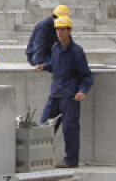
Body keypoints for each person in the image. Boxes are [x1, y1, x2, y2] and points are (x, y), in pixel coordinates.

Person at [35, 15, 93, 169]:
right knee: (44, 127)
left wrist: (82, 91)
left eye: (62, 29)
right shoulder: (55, 48)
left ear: (69, 31)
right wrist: (44, 67)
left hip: (69, 97)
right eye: (57, 30)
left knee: (70, 129)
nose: (60, 33)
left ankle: (71, 160)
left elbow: (87, 76)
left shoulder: (77, 52)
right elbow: (54, 65)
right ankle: (38, 159)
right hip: (54, 94)